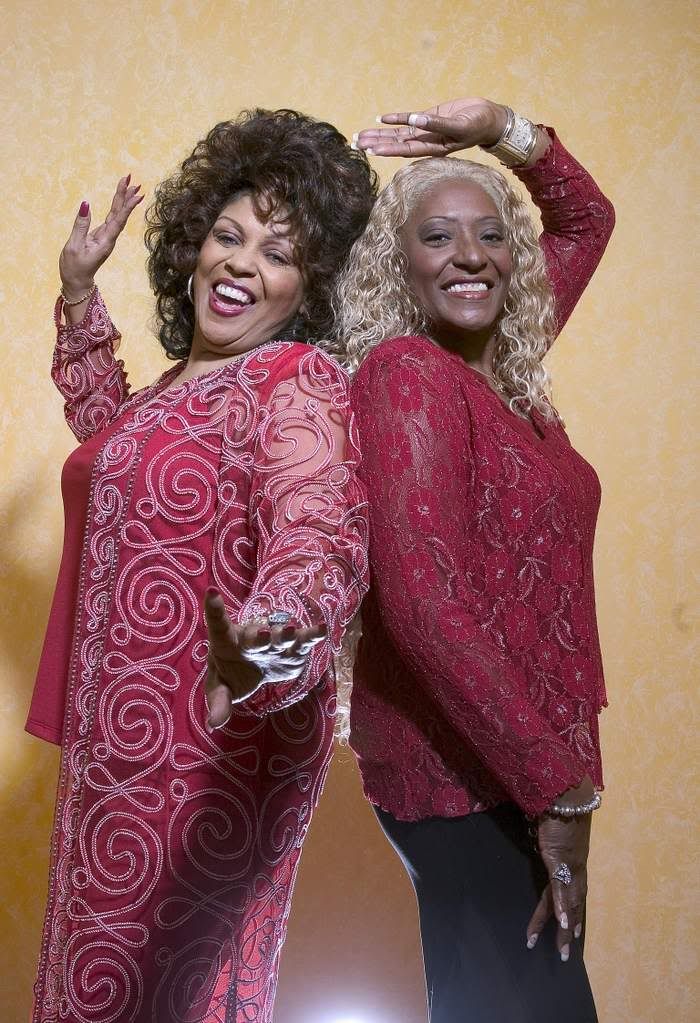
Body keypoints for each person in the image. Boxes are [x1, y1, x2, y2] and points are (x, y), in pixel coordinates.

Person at [26, 108, 376, 1023]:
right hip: (117, 739)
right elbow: (114, 455)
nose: (241, 263)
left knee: (156, 995)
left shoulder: (295, 381)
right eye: (228, 234)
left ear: (310, 286)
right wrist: (78, 296)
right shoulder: (174, 393)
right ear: (192, 247)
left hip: (205, 746)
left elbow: (318, 532)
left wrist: (273, 636)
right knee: (97, 986)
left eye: (278, 251)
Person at [333, 97, 615, 1022]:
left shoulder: (505, 363)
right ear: (399, 264)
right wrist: (556, 791)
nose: (470, 255)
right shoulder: (407, 375)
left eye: (491, 234)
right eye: (437, 236)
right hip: (465, 774)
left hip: (525, 766)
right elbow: (423, 604)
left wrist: (499, 127)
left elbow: (586, 219)